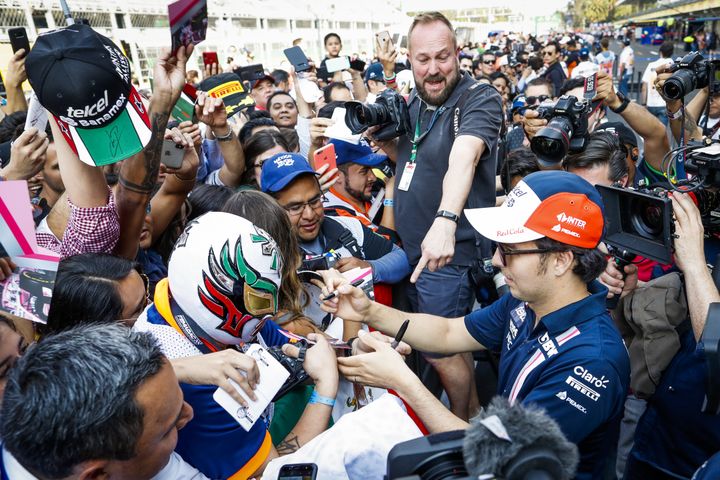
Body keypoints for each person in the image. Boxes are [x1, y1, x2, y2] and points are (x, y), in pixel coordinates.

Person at [323, 170, 630, 480]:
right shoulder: (527, 301)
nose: (497, 260)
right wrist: (367, 310)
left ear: (561, 261)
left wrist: (405, 381)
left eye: (509, 250)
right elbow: (449, 332)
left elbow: (496, 455)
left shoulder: (592, 362)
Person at [133, 212, 339, 479]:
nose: (272, 310)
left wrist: (354, 348)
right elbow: (275, 474)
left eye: (271, 294)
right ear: (212, 290)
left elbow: (301, 347)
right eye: (259, 299)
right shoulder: (192, 384)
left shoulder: (183, 307)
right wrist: (326, 388)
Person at [375, 11, 503, 421]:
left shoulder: (478, 98)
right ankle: (468, 416)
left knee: (441, 349)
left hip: (447, 255)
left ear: (458, 54)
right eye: (423, 59)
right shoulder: (416, 100)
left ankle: (462, 427)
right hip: (413, 250)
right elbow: (414, 157)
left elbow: (463, 158)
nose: (433, 69)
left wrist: (446, 220)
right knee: (434, 346)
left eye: (442, 57)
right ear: (410, 60)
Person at [0, 323, 204, 479]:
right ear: (97, 475)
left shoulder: (130, 445)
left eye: (26, 348)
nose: (189, 414)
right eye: (167, 430)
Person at [261, 152, 410, 289]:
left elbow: (401, 259)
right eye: (295, 207)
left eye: (314, 201)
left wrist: (371, 267)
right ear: (272, 208)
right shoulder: (265, 256)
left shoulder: (348, 227)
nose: (309, 215)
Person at [641, 41, 674, 125]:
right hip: (665, 104)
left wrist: (644, 103)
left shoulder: (651, 65)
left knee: (650, 132)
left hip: (650, 104)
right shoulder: (674, 66)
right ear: (671, 53)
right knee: (662, 133)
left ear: (660, 52)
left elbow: (644, 86)